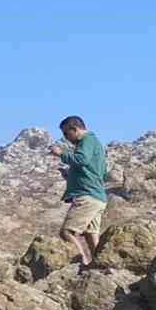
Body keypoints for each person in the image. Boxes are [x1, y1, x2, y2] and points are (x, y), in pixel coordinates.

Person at [49, 115, 106, 268]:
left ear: (75, 129)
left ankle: (82, 263)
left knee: (67, 232)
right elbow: (90, 168)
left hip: (87, 196)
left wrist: (60, 153)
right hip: (97, 196)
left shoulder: (87, 140)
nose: (66, 138)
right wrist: (69, 174)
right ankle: (99, 266)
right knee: (90, 234)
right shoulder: (93, 143)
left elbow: (82, 159)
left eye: (66, 134)